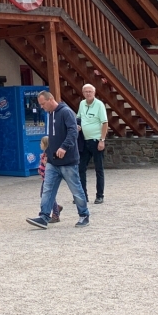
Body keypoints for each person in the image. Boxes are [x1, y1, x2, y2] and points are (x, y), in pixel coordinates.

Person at [26, 90, 90, 230]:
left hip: (68, 161)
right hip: (53, 161)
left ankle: (84, 215)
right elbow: (51, 137)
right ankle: (44, 217)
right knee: (47, 189)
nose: (42, 107)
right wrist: (48, 153)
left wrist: (64, 147)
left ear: (51, 100)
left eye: (43, 104)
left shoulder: (66, 112)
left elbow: (73, 132)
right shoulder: (50, 114)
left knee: (76, 189)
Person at [77, 84, 108, 205]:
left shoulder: (99, 105)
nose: (88, 93)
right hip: (84, 140)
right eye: (86, 92)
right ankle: (82, 195)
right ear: (83, 93)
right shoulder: (82, 104)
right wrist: (78, 125)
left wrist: (102, 140)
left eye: (90, 91)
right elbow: (78, 117)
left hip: (96, 140)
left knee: (98, 169)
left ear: (94, 93)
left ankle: (100, 195)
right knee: (81, 168)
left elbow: (105, 123)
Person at [37, 136, 63, 223]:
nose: (40, 144)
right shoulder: (44, 154)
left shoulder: (48, 156)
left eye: (41, 143)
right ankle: (56, 207)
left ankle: (55, 214)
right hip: (44, 178)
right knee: (45, 195)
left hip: (48, 179)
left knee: (48, 195)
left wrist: (45, 163)